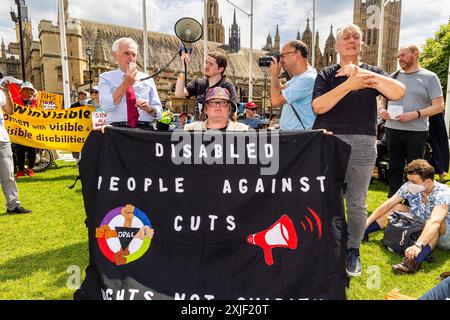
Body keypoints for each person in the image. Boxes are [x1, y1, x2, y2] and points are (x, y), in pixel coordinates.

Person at [311, 24, 406, 277]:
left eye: (356, 37)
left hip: (364, 141)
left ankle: (352, 249)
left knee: (356, 202)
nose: (351, 40)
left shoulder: (373, 72)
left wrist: (363, 75)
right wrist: (350, 84)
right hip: (330, 140)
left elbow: (398, 91)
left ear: (361, 45)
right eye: (346, 37)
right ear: (337, 45)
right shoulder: (327, 73)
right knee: (327, 198)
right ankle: (327, 246)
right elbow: (319, 107)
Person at [378, 44, 445, 197]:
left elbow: (439, 106)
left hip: (417, 132)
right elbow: (383, 100)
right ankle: (393, 203)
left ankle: (414, 204)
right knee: (394, 167)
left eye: (403, 55)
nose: (399, 59)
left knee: (416, 171)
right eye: (398, 56)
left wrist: (416, 114)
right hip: (392, 129)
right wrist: (381, 110)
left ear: (415, 54)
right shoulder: (393, 76)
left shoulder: (430, 77)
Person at [364, 159, 450, 274]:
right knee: (396, 207)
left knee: (435, 223)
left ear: (428, 182)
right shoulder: (409, 186)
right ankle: (362, 233)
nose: (410, 184)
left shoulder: (443, 193)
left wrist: (417, 245)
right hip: (423, 222)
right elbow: (388, 204)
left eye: (413, 182)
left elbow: (434, 222)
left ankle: (413, 261)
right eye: (408, 180)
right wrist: (367, 222)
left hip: (445, 235)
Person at [98, 37, 162, 129]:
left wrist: (149, 109)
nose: (131, 58)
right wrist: (126, 83)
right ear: (115, 55)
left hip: (144, 129)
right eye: (126, 53)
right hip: (118, 129)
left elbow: (159, 112)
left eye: (134, 55)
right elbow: (106, 107)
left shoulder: (147, 79)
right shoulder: (106, 78)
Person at [175, 50, 237, 120]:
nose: (206, 67)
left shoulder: (227, 86)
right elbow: (178, 93)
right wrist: (184, 67)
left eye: (211, 64)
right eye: (206, 63)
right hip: (198, 128)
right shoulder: (199, 83)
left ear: (220, 69)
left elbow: (233, 113)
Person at [0, 77, 32, 214]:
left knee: (8, 173)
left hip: (2, 139)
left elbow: (10, 111)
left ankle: (13, 205)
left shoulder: (1, 92)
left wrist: (7, 93)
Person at [269, 40, 317, 130]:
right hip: (292, 136)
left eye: (283, 55)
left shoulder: (307, 79)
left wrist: (274, 76)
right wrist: (275, 75)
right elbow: (276, 93)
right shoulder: (298, 78)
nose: (281, 60)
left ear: (297, 55)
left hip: (300, 137)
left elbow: (276, 101)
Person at [184, 87, 249, 131]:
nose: (218, 106)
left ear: (229, 109)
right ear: (205, 109)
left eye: (223, 102)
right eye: (212, 102)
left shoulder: (244, 131)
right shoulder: (189, 130)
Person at [14, 81, 38, 178]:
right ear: (21, 91)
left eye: (29, 90)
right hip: (19, 131)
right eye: (25, 89)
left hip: (31, 130)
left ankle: (30, 168)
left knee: (32, 150)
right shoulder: (14, 100)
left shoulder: (35, 101)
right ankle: (20, 170)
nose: (28, 91)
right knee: (20, 151)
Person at [428, 112, 449, 183]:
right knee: (437, 144)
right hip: (433, 116)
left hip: (433, 116)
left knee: (437, 144)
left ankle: (441, 174)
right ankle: (441, 174)